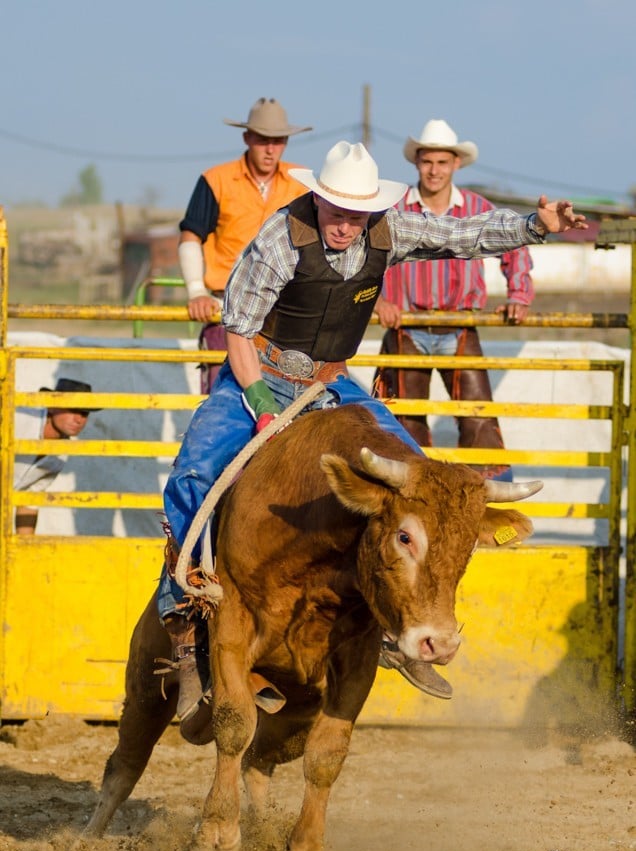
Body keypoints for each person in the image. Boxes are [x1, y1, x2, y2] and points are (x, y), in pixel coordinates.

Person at [159, 139, 586, 725]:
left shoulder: (385, 231)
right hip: (260, 370)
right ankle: (183, 622)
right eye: (336, 211)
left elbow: (462, 236)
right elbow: (238, 329)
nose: (344, 225)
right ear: (318, 201)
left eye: (356, 214)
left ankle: (395, 624)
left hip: (334, 383)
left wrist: (535, 225)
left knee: (423, 487)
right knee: (195, 472)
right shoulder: (282, 237)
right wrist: (260, 406)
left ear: (371, 210)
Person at [374, 119, 535, 480]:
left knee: (479, 420)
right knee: (404, 422)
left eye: (442, 162)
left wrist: (519, 296)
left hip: (459, 324)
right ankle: (413, 502)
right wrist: (377, 301)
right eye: (428, 162)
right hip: (406, 327)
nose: (434, 170)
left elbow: (516, 249)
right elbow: (365, 256)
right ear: (417, 162)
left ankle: (488, 508)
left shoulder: (478, 207)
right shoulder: (392, 208)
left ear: (455, 164)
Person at [178, 97, 312, 392]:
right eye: (263, 140)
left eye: (277, 141)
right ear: (247, 138)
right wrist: (196, 292)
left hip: (283, 309)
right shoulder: (216, 180)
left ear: (286, 142)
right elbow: (191, 237)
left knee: (286, 395)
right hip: (224, 305)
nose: (270, 148)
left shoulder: (302, 183)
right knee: (222, 393)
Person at [13, 378, 96, 535]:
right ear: (51, 406)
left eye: (84, 413)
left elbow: (29, 499)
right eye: (73, 410)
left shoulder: (61, 455)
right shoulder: (18, 418)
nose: (79, 420)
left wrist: (25, 550)